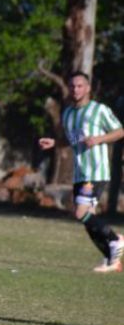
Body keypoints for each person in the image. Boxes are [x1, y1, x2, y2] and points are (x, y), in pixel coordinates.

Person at [38, 72, 124, 272]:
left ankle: (116, 239)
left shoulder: (99, 110)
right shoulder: (68, 113)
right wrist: (55, 143)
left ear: (88, 88)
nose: (76, 90)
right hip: (80, 172)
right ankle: (112, 259)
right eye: (73, 86)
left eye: (80, 86)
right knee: (87, 219)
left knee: (80, 212)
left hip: (96, 171)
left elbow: (120, 131)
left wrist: (99, 139)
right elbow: (73, 140)